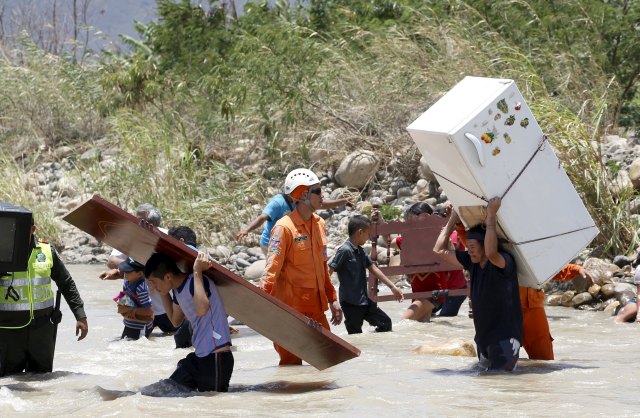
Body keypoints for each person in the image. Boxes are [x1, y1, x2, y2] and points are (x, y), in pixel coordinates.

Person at [260, 168, 343, 365]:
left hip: (316, 309)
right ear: (303, 194)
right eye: (318, 191)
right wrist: (260, 305)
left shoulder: (320, 224)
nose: (323, 196)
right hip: (290, 312)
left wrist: (333, 299)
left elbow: (322, 268)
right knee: (291, 367)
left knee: (328, 360)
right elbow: (271, 270)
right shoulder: (283, 228)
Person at [434, 197, 522, 371]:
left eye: (474, 246)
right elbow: (439, 250)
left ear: (486, 245)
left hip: (505, 339)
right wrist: (453, 218)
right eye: (469, 246)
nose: (470, 250)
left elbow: (491, 253)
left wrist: (491, 215)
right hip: (483, 338)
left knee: (500, 381)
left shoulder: (504, 262)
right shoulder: (471, 262)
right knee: (484, 383)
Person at [0, 217, 88, 376]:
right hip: (8, 331)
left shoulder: (46, 250)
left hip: (42, 330)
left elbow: (66, 282)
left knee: (43, 382)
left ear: (32, 229)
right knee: (9, 383)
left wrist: (80, 315)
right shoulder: (2, 252)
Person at [145, 251, 233, 392]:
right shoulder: (178, 290)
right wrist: (163, 293)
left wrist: (197, 271)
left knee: (213, 404)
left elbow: (202, 309)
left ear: (167, 276)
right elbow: (175, 320)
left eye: (154, 282)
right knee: (164, 390)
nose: (153, 287)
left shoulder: (195, 281)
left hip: (216, 357)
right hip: (199, 357)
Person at [100, 203, 176, 334]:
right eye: (136, 220)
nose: (137, 225)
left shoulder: (167, 238)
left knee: (177, 337)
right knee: (131, 340)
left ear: (153, 225)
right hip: (140, 306)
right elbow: (112, 261)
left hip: (165, 306)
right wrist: (133, 267)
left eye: (141, 222)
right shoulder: (131, 237)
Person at [391, 202, 466, 322]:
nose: (410, 223)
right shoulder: (410, 238)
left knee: (404, 322)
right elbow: (391, 242)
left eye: (413, 219)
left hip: (433, 292)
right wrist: (381, 222)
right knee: (421, 326)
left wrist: (444, 232)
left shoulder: (437, 235)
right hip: (420, 292)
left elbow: (451, 252)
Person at [328, 214, 403, 334]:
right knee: (356, 335)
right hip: (350, 303)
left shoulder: (360, 250)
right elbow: (328, 272)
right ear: (360, 232)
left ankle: (373, 348)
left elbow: (373, 268)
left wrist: (393, 287)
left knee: (385, 323)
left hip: (364, 301)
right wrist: (332, 300)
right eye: (368, 234)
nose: (368, 238)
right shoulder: (344, 251)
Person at [236, 181, 354, 256]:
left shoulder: (299, 201)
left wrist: (343, 201)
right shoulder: (278, 203)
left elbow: (321, 205)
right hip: (270, 243)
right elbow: (262, 217)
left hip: (287, 241)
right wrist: (247, 230)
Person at [115, 257, 154, 340]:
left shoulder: (141, 288)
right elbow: (125, 298)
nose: (125, 273)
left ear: (140, 274)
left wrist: (133, 311)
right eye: (124, 270)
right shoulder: (127, 280)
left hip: (141, 327)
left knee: (137, 348)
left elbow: (149, 311)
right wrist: (122, 306)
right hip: (129, 323)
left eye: (128, 271)